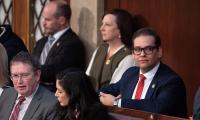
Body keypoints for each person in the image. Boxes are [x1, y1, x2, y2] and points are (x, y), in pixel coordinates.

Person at [99, 27, 187, 118]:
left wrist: (117, 102)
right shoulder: (130, 73)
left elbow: (158, 108)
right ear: (133, 54)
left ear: (159, 52)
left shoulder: (171, 81)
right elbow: (105, 90)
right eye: (137, 49)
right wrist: (101, 97)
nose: (142, 54)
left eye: (148, 49)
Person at [32, 1, 85, 92]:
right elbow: (32, 61)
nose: (43, 23)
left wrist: (29, 70)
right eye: (44, 19)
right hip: (36, 91)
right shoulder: (41, 42)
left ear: (62, 21)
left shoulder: (72, 44)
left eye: (48, 20)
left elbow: (53, 72)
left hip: (55, 95)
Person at [86, 9, 136, 90]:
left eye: (107, 25)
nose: (101, 28)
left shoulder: (128, 57)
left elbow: (114, 89)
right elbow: (86, 78)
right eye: (102, 24)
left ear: (120, 30)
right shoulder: (100, 49)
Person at [0, 51, 58, 120]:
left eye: (25, 75)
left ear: (37, 75)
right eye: (15, 76)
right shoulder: (6, 94)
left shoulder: (51, 103)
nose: (19, 81)